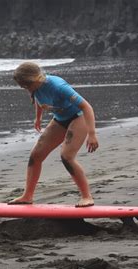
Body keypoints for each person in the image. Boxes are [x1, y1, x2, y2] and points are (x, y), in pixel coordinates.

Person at [8, 62, 99, 207]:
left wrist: (92, 134)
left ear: (35, 79)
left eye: (26, 85)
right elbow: (38, 98)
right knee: (36, 155)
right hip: (60, 119)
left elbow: (86, 106)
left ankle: (87, 197)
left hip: (78, 117)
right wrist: (38, 117)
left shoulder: (58, 87)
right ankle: (27, 196)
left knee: (67, 156)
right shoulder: (34, 86)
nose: (25, 88)